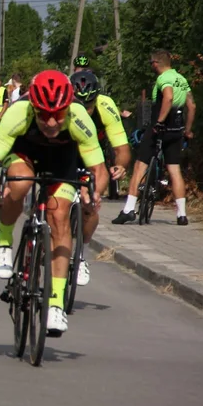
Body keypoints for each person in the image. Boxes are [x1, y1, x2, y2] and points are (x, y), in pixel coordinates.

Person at [0, 70, 109, 336]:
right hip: (24, 154)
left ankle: (55, 304)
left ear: (68, 109)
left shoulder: (79, 117)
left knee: (60, 217)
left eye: (58, 114)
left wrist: (94, 194)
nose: (51, 122)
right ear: (34, 108)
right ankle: (4, 243)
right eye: (43, 114)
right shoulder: (19, 112)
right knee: (20, 182)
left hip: (62, 161)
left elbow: (99, 168)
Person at [113, 49, 196, 226]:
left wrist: (159, 122)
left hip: (160, 128)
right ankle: (182, 215)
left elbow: (168, 97)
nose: (151, 66)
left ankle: (128, 210)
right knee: (174, 170)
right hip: (177, 130)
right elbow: (192, 106)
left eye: (152, 63)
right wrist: (187, 130)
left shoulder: (163, 78)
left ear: (156, 63)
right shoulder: (181, 79)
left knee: (139, 166)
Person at [70, 70, 131, 286]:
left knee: (91, 206)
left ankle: (81, 255)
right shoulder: (64, 106)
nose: (85, 110)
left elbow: (121, 146)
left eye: (89, 105)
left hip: (92, 158)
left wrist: (120, 166)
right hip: (66, 154)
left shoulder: (105, 106)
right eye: (80, 105)